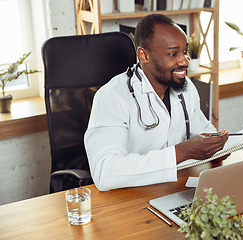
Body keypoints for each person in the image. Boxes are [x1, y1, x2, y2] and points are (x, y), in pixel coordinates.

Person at [84, 14, 229, 191]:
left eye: (185, 51)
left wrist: (217, 147)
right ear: (144, 55)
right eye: (172, 54)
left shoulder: (186, 88)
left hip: (177, 188)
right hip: (130, 198)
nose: (184, 61)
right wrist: (180, 152)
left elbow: (204, 132)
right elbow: (105, 172)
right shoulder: (112, 96)